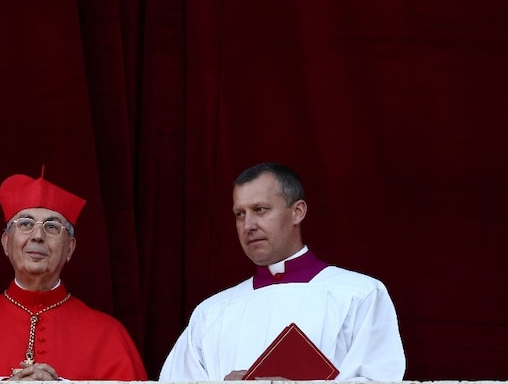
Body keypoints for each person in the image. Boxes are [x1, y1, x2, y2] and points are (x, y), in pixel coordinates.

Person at [159, 162, 405, 381]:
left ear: (297, 212)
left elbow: (378, 380)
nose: (248, 226)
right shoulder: (211, 313)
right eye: (239, 214)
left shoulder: (358, 295)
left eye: (261, 210)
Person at [0, 170, 148, 382]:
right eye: (25, 223)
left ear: (70, 248)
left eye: (52, 226)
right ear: (6, 242)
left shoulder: (108, 336)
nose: (37, 235)